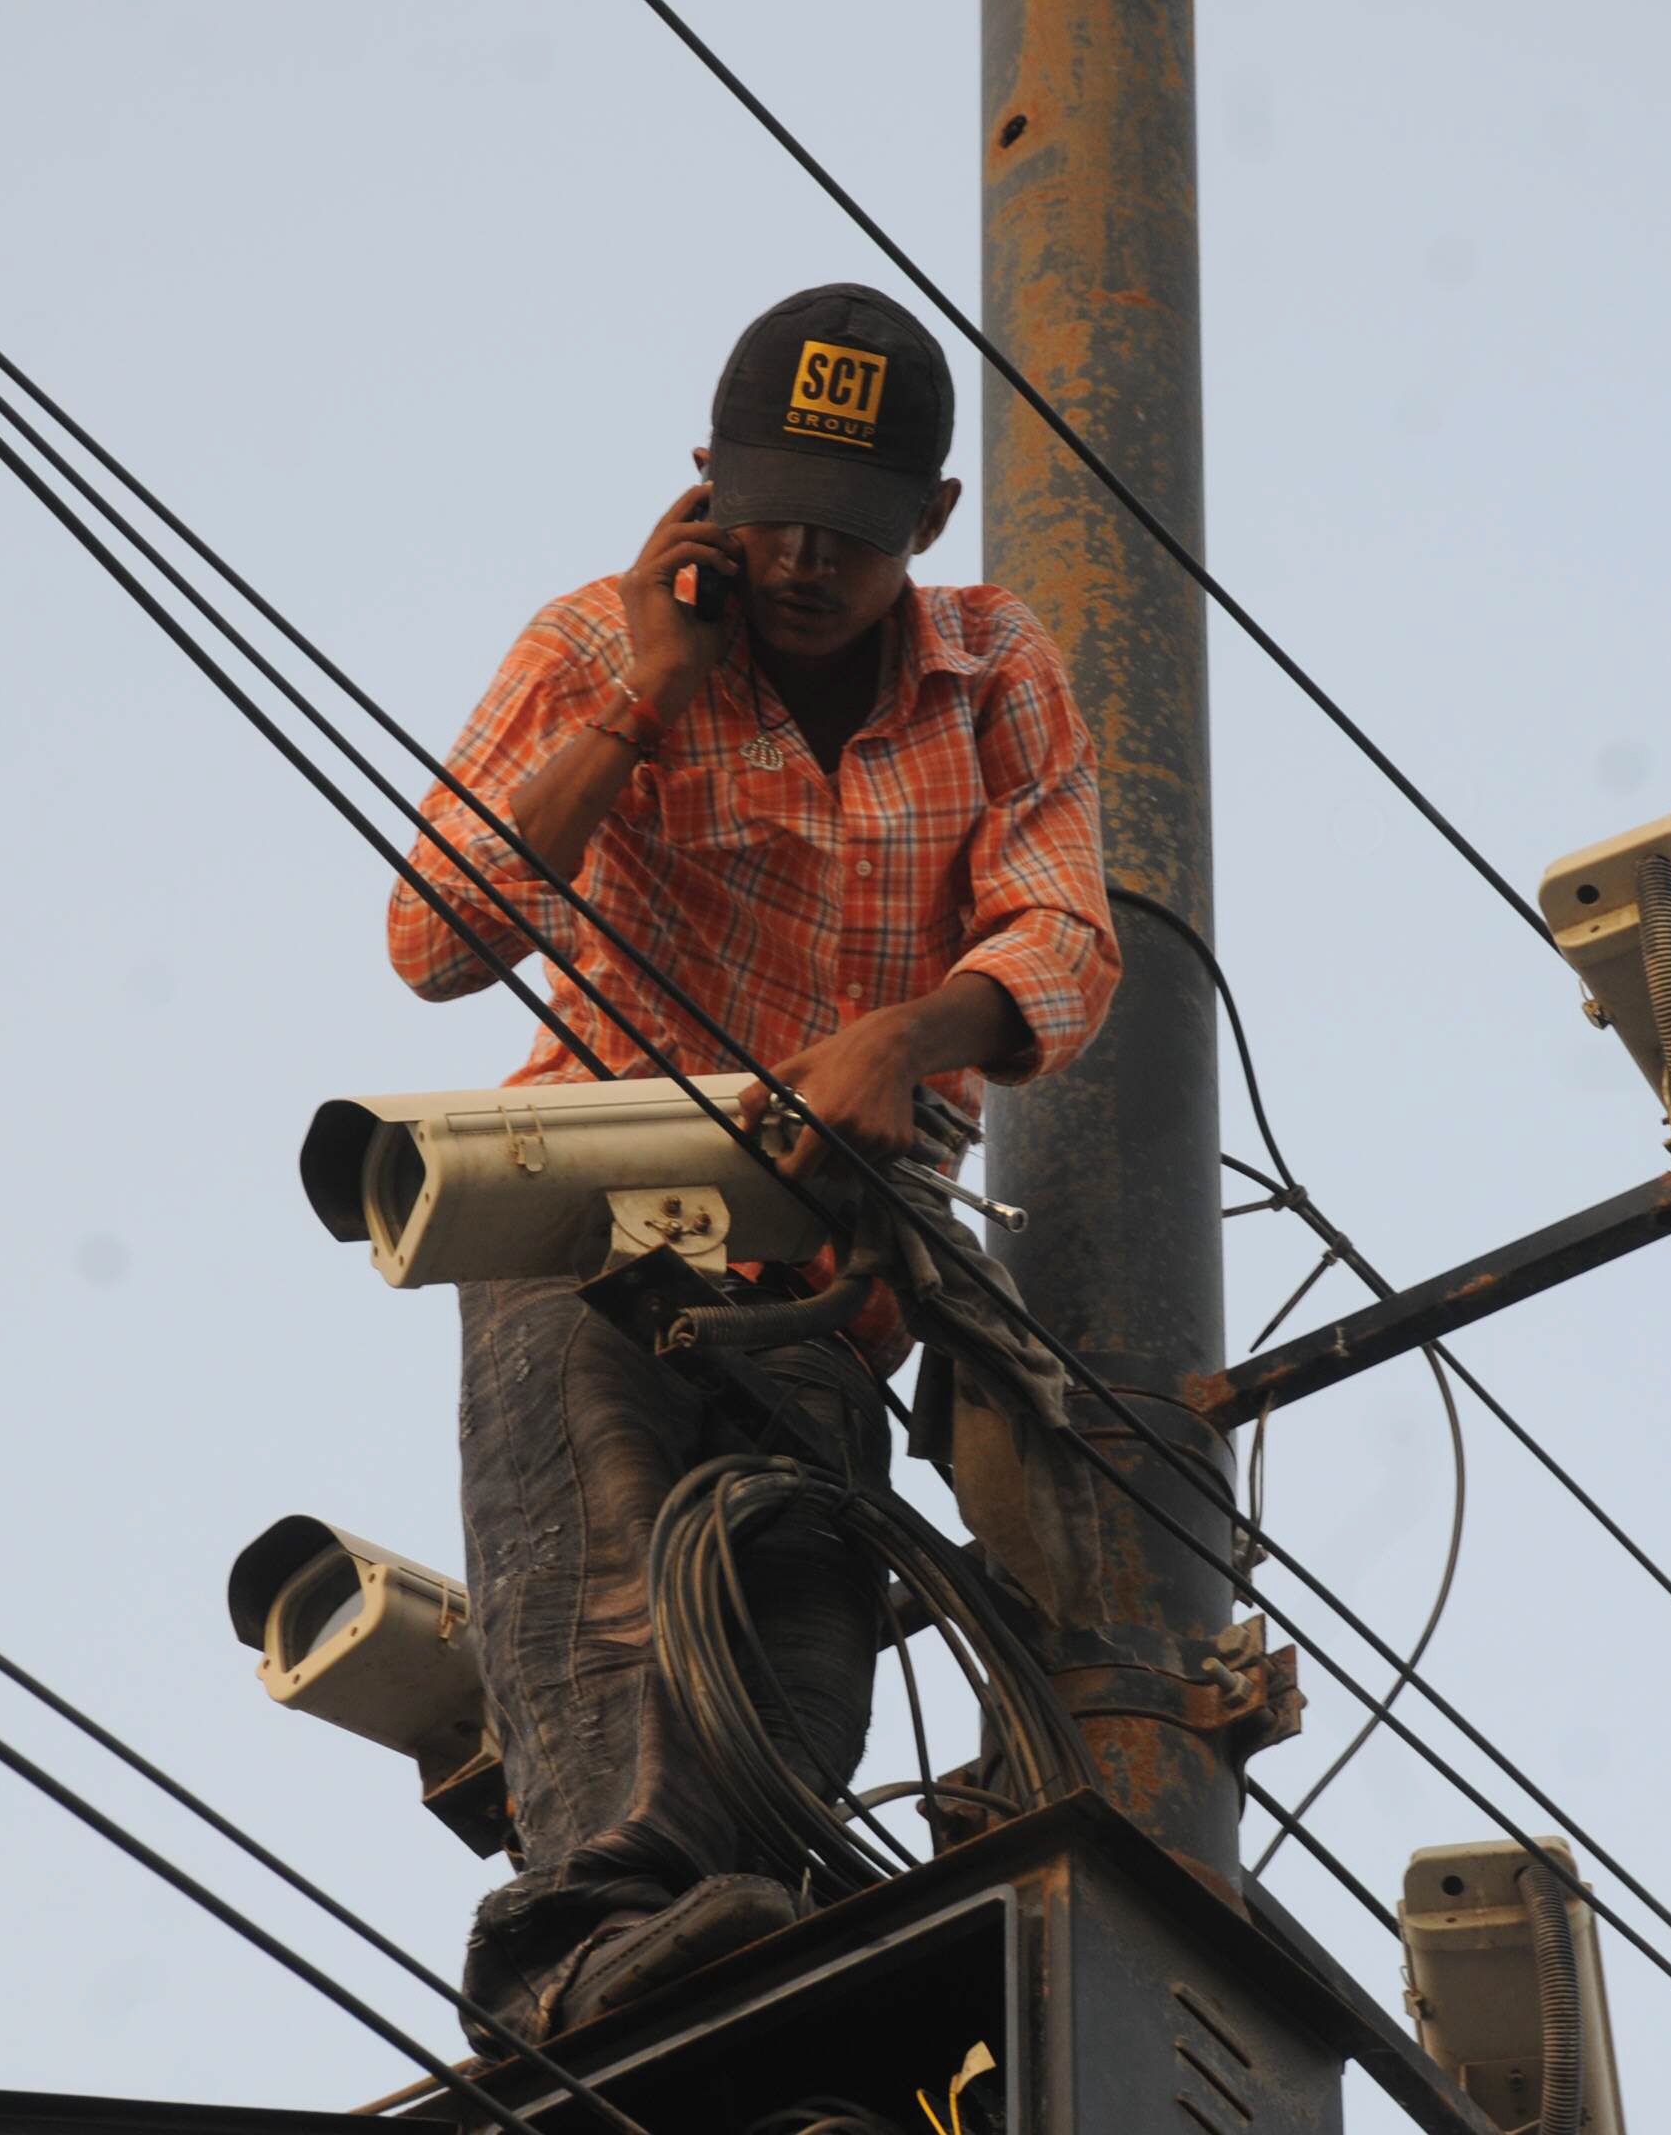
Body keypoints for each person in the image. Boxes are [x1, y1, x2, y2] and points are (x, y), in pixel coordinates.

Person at [385, 283, 1121, 2045]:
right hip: (593, 1190)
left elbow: (1068, 940)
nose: (804, 560)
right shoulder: (593, 646)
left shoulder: (993, 668)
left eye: (853, 536)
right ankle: (579, 1959)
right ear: (704, 482)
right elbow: (435, 938)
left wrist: (909, 1039)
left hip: (824, 1247)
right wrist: (650, 694)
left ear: (929, 529)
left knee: (794, 1619)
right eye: (774, 513)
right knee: (610, 1579)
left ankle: (763, 1950)